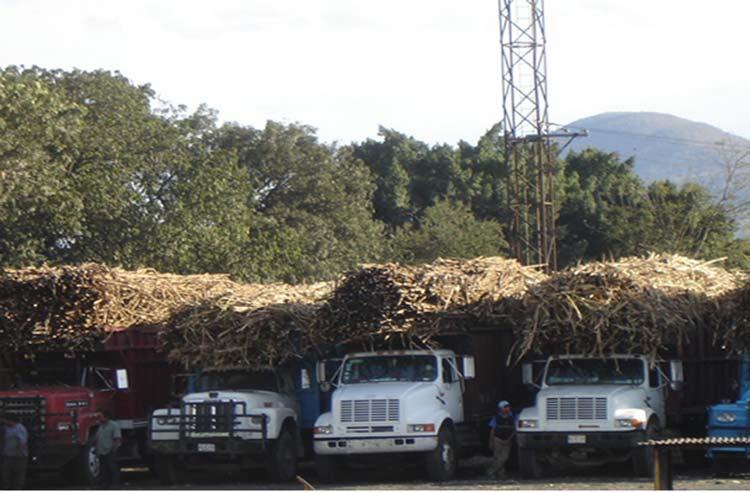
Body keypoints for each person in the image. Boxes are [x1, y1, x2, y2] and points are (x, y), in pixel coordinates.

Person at [486, 400, 515, 480]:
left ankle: (491, 471)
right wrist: (491, 441)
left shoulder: (512, 417)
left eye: (508, 407)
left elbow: (514, 429)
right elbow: (492, 430)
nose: (507, 409)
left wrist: (510, 438)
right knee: (497, 457)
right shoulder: (496, 418)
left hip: (507, 440)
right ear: (500, 409)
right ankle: (500, 474)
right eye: (505, 407)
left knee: (504, 458)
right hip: (497, 440)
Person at [94, 409, 122, 489]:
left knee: (112, 468)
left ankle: (115, 485)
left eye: (100, 416)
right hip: (102, 451)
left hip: (110, 450)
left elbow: (117, 438)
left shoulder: (114, 425)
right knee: (103, 469)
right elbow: (98, 439)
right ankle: (105, 485)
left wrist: (114, 449)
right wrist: (96, 451)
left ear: (106, 417)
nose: (99, 418)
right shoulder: (100, 427)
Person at [1, 414, 28, 489]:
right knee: (6, 477)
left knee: (17, 478)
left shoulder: (19, 429)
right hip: (8, 456)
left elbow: (23, 442)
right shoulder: (6, 428)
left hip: (18, 457)